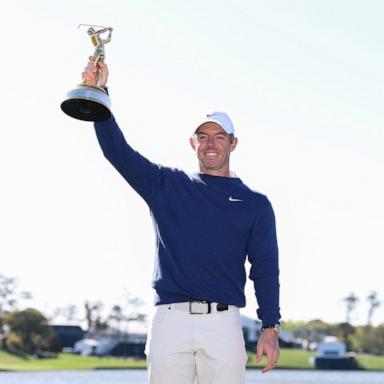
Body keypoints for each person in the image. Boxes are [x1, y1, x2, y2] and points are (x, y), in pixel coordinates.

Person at [82, 56, 281, 384]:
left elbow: (265, 270)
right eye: (203, 136)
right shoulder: (165, 185)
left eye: (220, 136)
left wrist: (270, 327)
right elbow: (117, 151)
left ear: (234, 143)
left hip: (223, 324)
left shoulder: (255, 204)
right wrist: (99, 92)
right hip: (169, 322)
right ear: (193, 143)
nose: (211, 143)